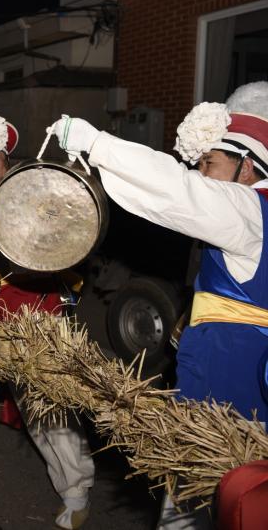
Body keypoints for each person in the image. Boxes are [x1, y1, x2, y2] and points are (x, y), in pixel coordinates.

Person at [48, 83, 268, 529]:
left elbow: (177, 190)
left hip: (230, 386)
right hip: (235, 374)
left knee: (200, 500)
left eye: (210, 163)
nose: (202, 173)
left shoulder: (248, 206)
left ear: (248, 169)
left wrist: (96, 144)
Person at [0, 112, 95, 530]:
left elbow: (65, 250)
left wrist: (4, 270)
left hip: (37, 315)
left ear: (8, 159)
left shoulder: (33, 194)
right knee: (28, 410)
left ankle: (75, 489)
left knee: (48, 407)